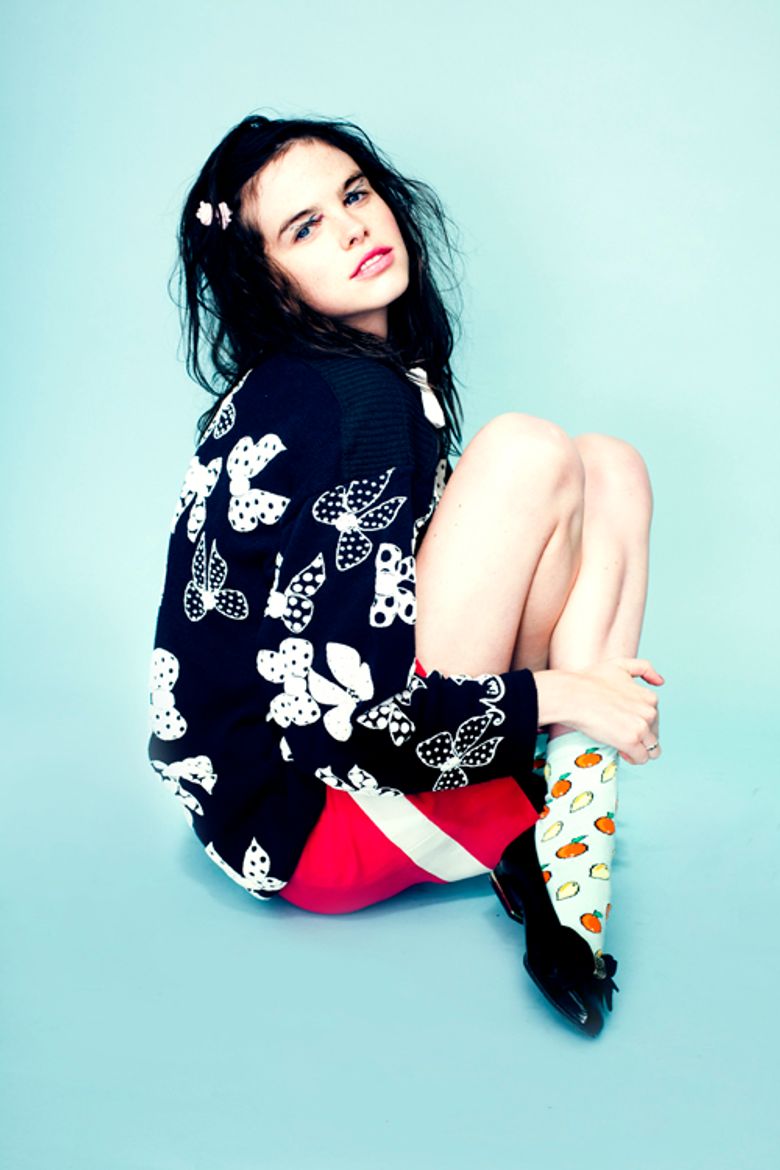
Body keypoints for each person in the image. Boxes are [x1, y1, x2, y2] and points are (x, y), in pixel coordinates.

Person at [147, 112, 663, 1038]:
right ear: (267, 278)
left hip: (362, 783)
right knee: (527, 452)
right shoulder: (352, 399)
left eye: (355, 194)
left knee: (608, 465)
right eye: (306, 227)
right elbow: (351, 723)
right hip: (322, 820)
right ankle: (557, 836)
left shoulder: (337, 378)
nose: (353, 227)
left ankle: (568, 812)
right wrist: (561, 691)